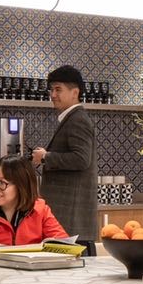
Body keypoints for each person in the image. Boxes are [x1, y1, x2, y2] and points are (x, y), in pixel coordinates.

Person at [31, 65, 97, 247]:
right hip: (68, 219)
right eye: (51, 90)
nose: (53, 95)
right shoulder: (72, 118)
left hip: (71, 218)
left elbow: (81, 159)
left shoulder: (78, 119)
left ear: (75, 92)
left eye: (58, 89)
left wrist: (46, 157)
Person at [0, 154, 69, 260]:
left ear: (21, 186)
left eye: (2, 183)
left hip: (31, 270)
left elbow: (64, 245)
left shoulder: (40, 209)